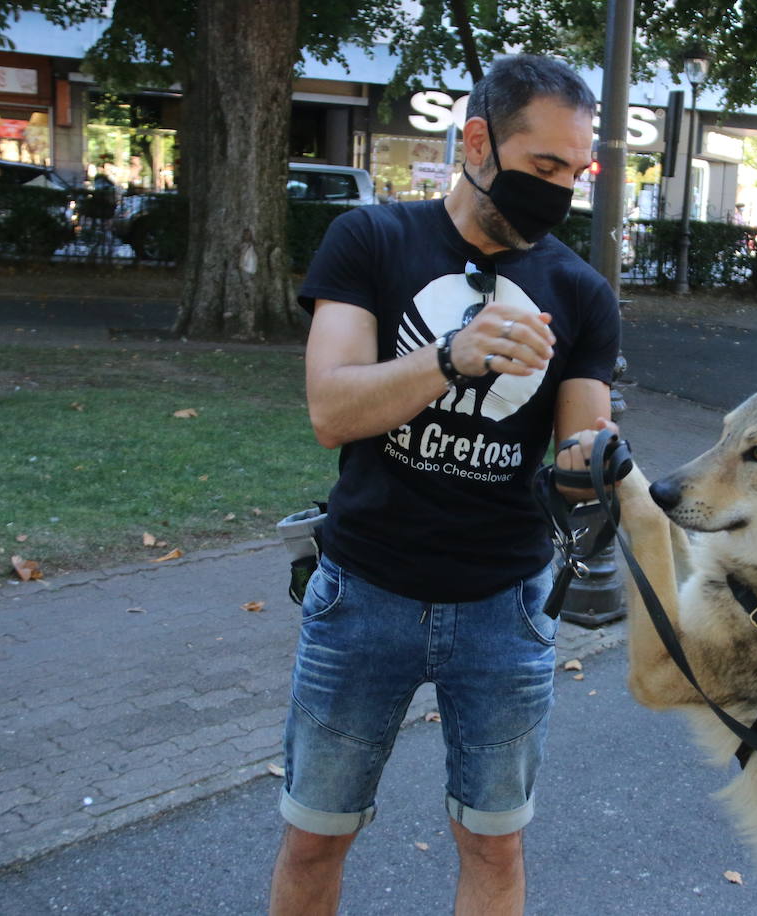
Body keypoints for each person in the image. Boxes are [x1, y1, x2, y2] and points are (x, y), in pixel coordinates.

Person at [269, 55, 620, 916]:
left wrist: (597, 470)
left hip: (503, 609)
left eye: (576, 173)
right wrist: (452, 357)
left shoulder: (580, 292)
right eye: (544, 168)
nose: (561, 191)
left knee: (495, 847)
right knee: (315, 838)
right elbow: (331, 407)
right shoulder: (372, 241)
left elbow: (582, 446)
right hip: (363, 597)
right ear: (475, 141)